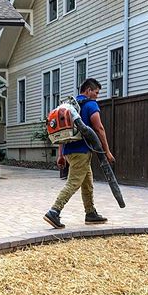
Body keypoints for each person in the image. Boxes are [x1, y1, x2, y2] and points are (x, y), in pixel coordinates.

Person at [43, 78, 115, 229]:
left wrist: (61, 154)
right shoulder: (90, 105)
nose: (97, 96)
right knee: (74, 182)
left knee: (87, 182)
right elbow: (99, 128)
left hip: (70, 151)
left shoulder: (69, 106)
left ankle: (90, 213)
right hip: (81, 152)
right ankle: (54, 211)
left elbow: (62, 131)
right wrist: (107, 151)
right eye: (96, 93)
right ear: (88, 91)